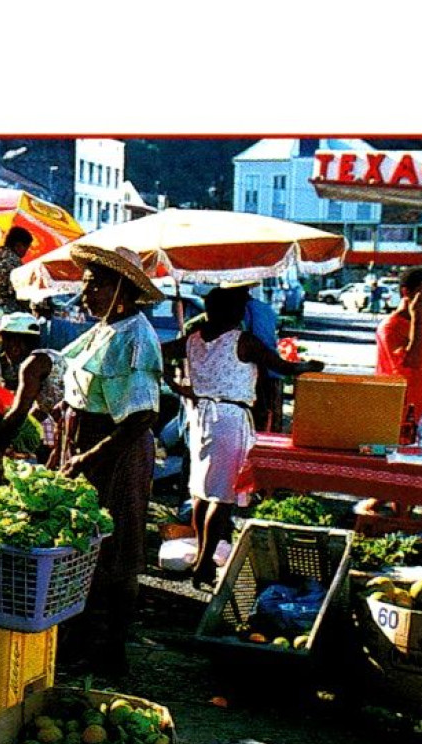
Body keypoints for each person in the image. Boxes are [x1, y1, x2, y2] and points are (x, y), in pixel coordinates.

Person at [53, 245, 166, 674]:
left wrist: (87, 457)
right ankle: (81, 639)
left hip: (115, 451)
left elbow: (141, 416)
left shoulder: (135, 337)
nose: (87, 294)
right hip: (85, 444)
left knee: (116, 552)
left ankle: (111, 649)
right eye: (85, 285)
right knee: (84, 547)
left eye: (96, 285)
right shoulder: (106, 328)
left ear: (123, 289)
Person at [166, 285, 324, 590]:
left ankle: (203, 555)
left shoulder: (194, 339)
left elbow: (159, 353)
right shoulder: (243, 341)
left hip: (200, 416)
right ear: (235, 312)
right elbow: (283, 367)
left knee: (201, 492)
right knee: (222, 497)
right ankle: (203, 564)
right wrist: (309, 367)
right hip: (228, 418)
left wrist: (176, 386)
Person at [0, 313, 69, 466]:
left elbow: (20, 411)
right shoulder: (47, 357)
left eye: (5, 343)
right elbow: (40, 410)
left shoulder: (33, 364)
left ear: (15, 344)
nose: (4, 352)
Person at [376, 266, 422, 426]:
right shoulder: (391, 326)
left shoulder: (414, 323)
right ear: (406, 292)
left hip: (421, 408)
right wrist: (417, 317)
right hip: (399, 409)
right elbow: (412, 361)